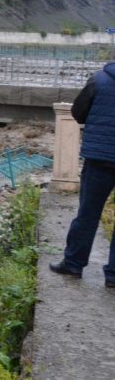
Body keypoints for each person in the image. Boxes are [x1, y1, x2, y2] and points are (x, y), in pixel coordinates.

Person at [50, 62, 115, 288]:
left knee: (87, 214)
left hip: (99, 160)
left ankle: (74, 264)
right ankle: (113, 276)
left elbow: (78, 113)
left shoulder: (98, 80)